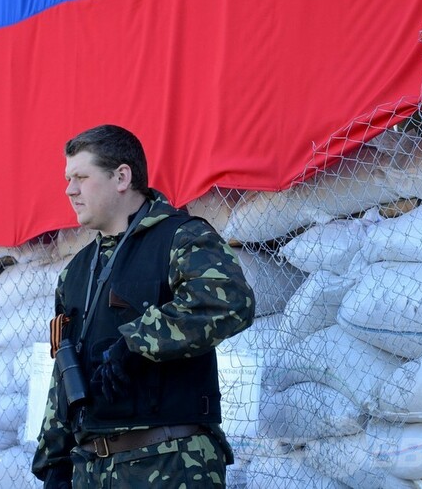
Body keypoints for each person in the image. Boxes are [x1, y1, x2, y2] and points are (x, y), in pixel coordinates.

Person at [31, 124, 255, 488]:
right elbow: (65, 370)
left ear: (121, 177)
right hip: (91, 469)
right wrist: (55, 461)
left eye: (81, 177)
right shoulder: (75, 272)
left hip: (170, 462)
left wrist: (136, 344)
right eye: (68, 179)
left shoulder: (181, 237)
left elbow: (231, 301)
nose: (70, 190)